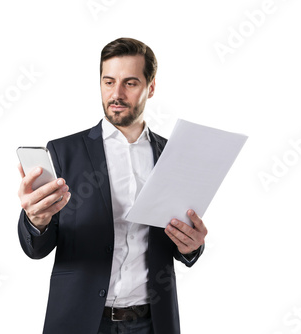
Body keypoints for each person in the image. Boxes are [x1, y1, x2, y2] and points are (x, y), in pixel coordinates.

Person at [17, 37, 208, 334]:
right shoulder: (63, 152)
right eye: (108, 82)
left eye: (130, 83)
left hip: (152, 323)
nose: (116, 94)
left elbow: (181, 240)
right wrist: (35, 221)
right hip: (79, 322)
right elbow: (37, 249)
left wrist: (193, 247)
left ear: (151, 87)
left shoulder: (172, 156)